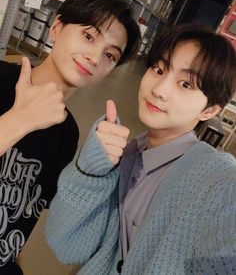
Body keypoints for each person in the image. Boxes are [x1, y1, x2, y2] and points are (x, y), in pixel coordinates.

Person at [46, 23, 236, 275]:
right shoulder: (124, 157)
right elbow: (67, 247)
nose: (159, 90)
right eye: (159, 69)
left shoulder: (218, 180)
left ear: (210, 110)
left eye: (186, 84)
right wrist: (90, 171)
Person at [0, 0, 141, 274]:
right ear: (56, 27)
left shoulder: (67, 134)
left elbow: (26, 214)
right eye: (88, 36)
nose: (94, 57)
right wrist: (19, 120)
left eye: (110, 55)